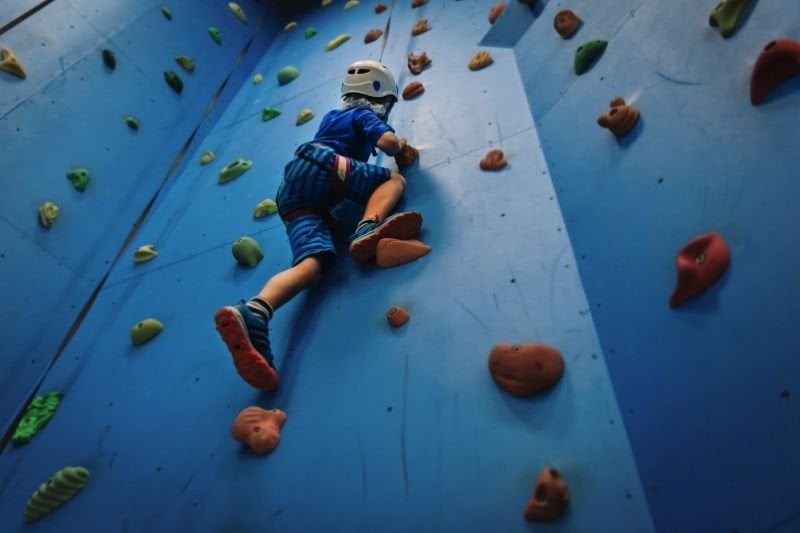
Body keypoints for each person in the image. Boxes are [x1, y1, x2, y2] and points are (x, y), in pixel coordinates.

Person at [214, 60, 422, 392]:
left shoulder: (331, 117)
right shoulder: (361, 114)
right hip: (327, 166)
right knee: (393, 181)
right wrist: (400, 145)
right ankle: (367, 227)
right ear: (380, 96)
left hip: (292, 191)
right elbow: (388, 145)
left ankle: (255, 311)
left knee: (312, 266)